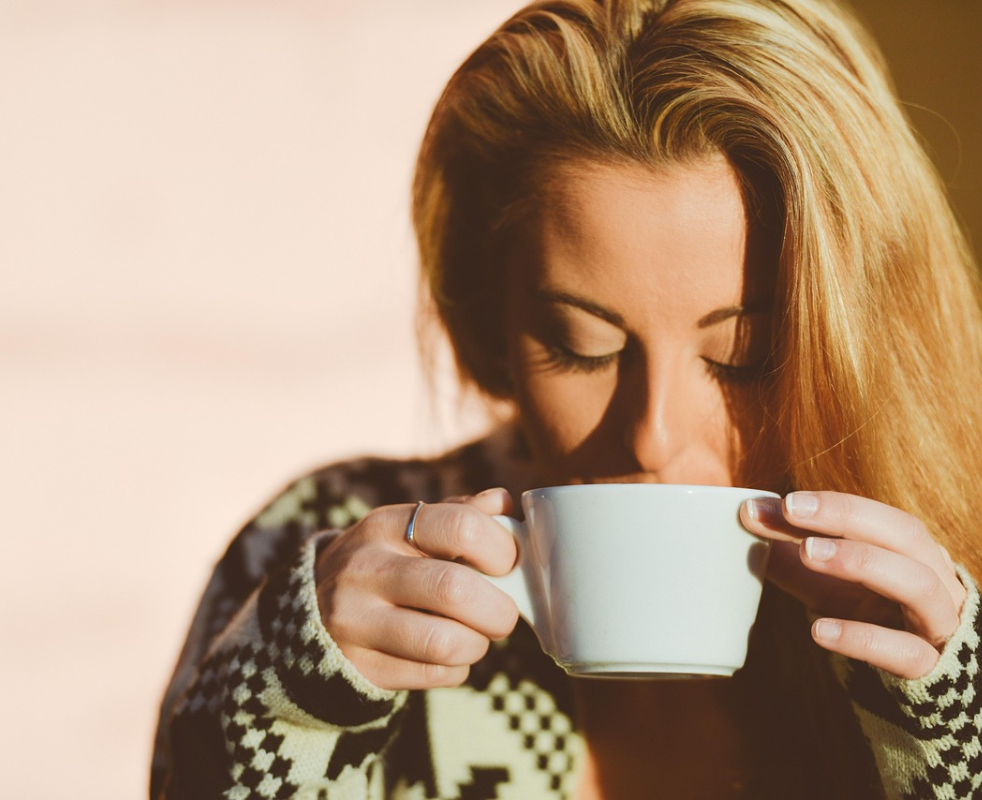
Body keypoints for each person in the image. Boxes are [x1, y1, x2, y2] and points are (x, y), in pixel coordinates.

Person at [151, 0, 982, 797]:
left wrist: (953, 731)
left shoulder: (948, 607)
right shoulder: (324, 544)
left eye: (744, 358)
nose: (652, 437)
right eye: (583, 348)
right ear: (494, 324)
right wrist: (288, 708)